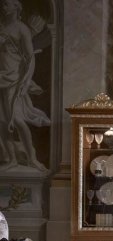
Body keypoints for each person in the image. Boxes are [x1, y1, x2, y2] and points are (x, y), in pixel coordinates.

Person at [0, 0, 50, 171]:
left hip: (14, 78)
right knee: (2, 121)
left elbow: (30, 58)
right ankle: (12, 159)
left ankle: (32, 158)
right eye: (2, 4)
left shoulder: (22, 29)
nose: (3, 6)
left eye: (7, 4)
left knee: (17, 120)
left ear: (16, 7)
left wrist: (27, 81)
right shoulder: (1, 27)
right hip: (1, 77)